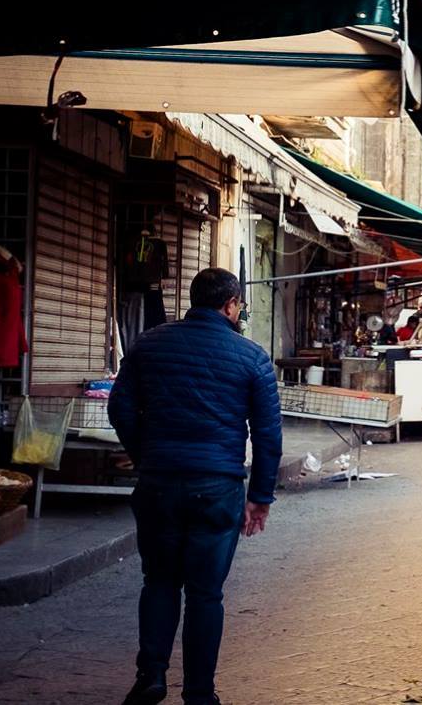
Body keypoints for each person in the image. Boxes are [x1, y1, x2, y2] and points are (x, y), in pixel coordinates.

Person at [107, 267, 280, 705]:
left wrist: (147, 456)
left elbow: (119, 409)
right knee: (205, 594)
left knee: (159, 582)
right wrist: (260, 497)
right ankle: (199, 693)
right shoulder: (252, 357)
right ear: (231, 305)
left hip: (159, 483)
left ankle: (151, 676)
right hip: (218, 487)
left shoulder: (149, 343)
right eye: (239, 305)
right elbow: (267, 435)